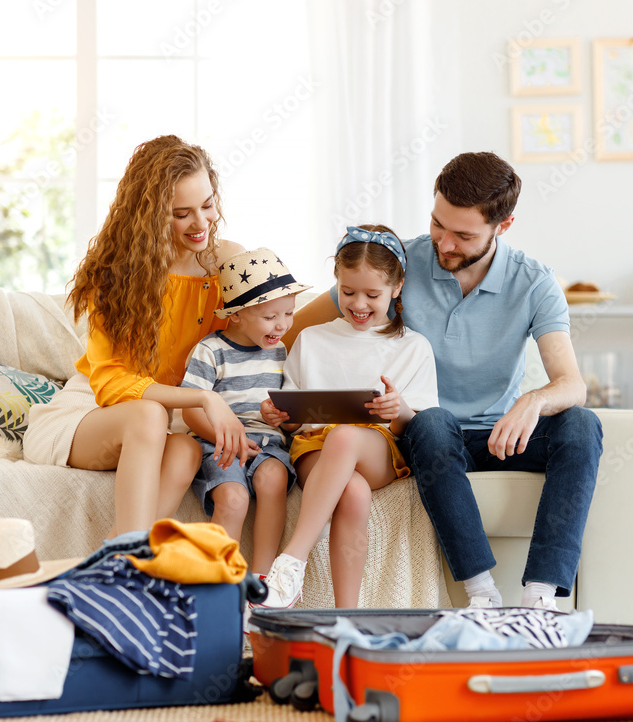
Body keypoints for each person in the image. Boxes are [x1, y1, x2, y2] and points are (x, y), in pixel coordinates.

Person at [289, 153, 603, 612]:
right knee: (434, 421)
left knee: (581, 423)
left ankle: (541, 595)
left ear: (505, 225)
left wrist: (533, 401)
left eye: (463, 235)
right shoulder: (402, 263)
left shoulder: (534, 283)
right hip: (426, 433)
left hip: (500, 434)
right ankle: (481, 591)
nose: (445, 242)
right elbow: (293, 327)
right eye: (438, 224)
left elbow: (571, 384)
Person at [23, 135, 253, 537]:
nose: (201, 223)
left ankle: (119, 554)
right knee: (150, 415)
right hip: (90, 412)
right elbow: (111, 382)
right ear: (149, 215)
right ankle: (124, 560)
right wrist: (202, 397)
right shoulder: (118, 273)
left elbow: (268, 327)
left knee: (183, 450)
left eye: (208, 205)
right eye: (181, 213)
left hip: (165, 421)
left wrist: (347, 299)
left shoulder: (229, 262)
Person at [259, 225, 438, 609]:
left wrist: (399, 410)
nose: (359, 304)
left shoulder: (413, 346)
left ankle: (291, 560)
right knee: (352, 492)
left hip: (379, 450)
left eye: (372, 295)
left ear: (396, 287)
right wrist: (279, 415)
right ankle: (347, 615)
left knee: (344, 436)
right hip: (314, 448)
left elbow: (418, 425)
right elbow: (294, 421)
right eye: (348, 292)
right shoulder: (312, 339)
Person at [179, 248, 311, 579]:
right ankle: (222, 581)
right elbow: (192, 410)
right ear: (236, 315)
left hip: (267, 443)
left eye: (289, 314)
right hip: (219, 445)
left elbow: (285, 413)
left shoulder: (280, 351)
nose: (282, 325)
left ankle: (264, 578)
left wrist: (278, 416)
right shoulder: (210, 351)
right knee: (234, 498)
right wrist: (226, 439)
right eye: (271, 317)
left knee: (274, 478)